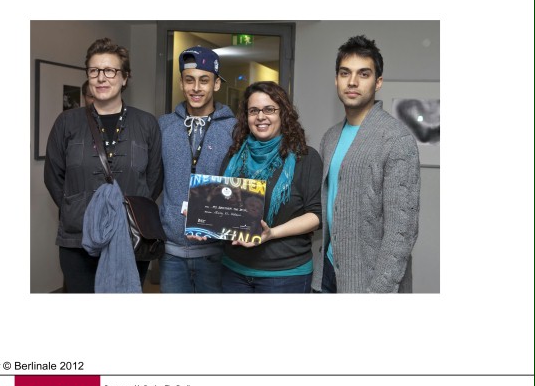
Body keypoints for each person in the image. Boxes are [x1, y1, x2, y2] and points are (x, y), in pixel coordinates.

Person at [44, 37, 163, 293]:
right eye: (94, 71)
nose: (101, 77)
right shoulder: (66, 123)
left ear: (125, 78)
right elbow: (53, 177)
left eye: (110, 71)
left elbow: (154, 179)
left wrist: (125, 213)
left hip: (133, 237)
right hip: (78, 238)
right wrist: (77, 208)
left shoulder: (146, 124)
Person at [312, 35, 420, 293]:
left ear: (378, 82)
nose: (352, 82)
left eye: (363, 74)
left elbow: (402, 233)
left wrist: (378, 291)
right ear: (336, 80)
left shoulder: (396, 139)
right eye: (344, 73)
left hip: (369, 282)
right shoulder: (330, 137)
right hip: (328, 271)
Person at [220, 81, 322, 293]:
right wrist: (202, 222)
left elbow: (316, 216)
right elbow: (222, 207)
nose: (260, 117)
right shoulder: (234, 157)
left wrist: (271, 233)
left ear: (283, 114)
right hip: (233, 270)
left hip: (285, 274)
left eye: (269, 109)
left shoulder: (305, 157)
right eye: (253, 110)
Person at [158, 46, 236, 293]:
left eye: (204, 80)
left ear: (216, 84)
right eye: (189, 80)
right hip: (171, 250)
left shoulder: (235, 129)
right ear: (181, 83)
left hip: (217, 252)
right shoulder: (163, 126)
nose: (196, 88)